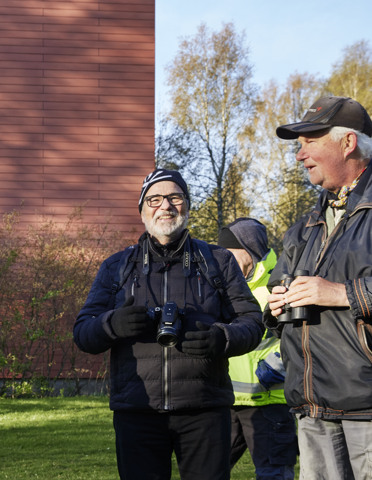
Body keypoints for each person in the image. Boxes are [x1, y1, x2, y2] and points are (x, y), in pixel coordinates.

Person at [73, 169, 264, 480]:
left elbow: (253, 324)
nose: (166, 206)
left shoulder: (218, 261)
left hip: (205, 410)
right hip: (137, 410)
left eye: (175, 198)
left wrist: (221, 338)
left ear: (187, 206)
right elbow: (83, 333)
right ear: (142, 210)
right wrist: (111, 325)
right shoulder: (116, 267)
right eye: (155, 199)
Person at [267, 95, 372, 480]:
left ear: (349, 143)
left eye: (310, 142)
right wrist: (275, 305)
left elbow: (334, 292)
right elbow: (278, 286)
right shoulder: (306, 225)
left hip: (368, 409)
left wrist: (342, 293)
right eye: (299, 146)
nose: (300, 156)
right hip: (312, 407)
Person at [218, 218, 297, 479]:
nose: (224, 259)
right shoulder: (224, 290)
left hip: (269, 404)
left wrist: (278, 366)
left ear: (249, 250)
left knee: (273, 474)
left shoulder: (280, 285)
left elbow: (302, 339)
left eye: (230, 253)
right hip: (226, 402)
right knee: (205, 472)